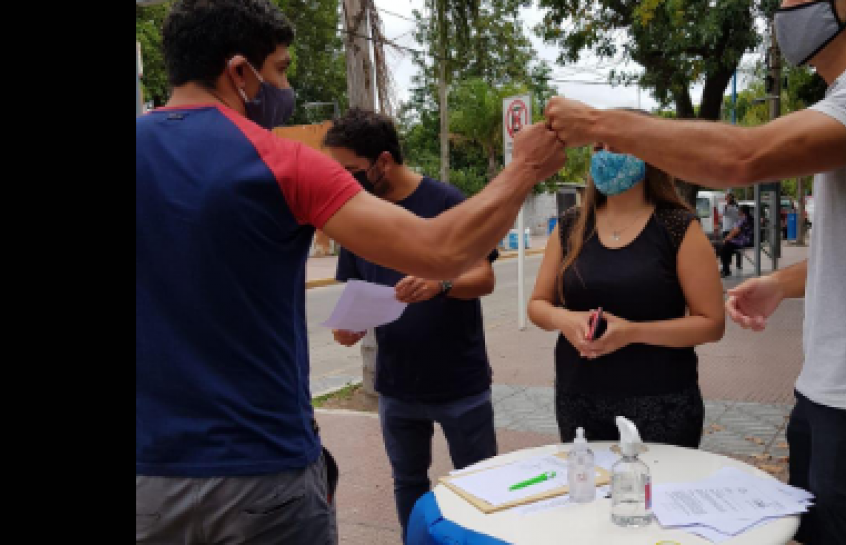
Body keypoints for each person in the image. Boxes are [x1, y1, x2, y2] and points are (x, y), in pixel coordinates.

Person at [135, 1, 566, 543]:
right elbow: (442, 247)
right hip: (262, 474)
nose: (284, 86)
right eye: (281, 69)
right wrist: (524, 167)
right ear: (240, 72)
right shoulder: (284, 162)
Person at [542, 1, 846, 542]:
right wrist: (782, 282)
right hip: (828, 394)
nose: (781, 12)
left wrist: (598, 121)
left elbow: (743, 157)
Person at [322, 108, 500, 536]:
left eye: (351, 171)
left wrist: (441, 283)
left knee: (481, 488)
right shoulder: (357, 215)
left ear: (383, 161)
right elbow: (356, 290)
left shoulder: (446, 203)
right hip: (398, 387)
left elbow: (484, 276)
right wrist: (348, 327)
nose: (345, 183)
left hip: (461, 384)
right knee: (409, 485)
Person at [527, 122, 727, 448]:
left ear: (650, 154)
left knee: (657, 496)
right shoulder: (570, 226)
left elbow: (711, 324)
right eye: (599, 148)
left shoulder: (678, 227)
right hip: (579, 399)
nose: (607, 156)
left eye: (619, 146)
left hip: (662, 401)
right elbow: (537, 304)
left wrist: (632, 332)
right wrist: (565, 320)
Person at [717, 204, 754, 277]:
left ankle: (726, 269)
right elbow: (734, 230)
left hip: (744, 241)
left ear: (742, 211)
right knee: (725, 247)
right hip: (745, 240)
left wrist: (726, 239)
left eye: (739, 210)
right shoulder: (748, 218)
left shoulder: (744, 219)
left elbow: (736, 231)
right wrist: (727, 238)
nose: (738, 211)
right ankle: (726, 268)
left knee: (724, 247)